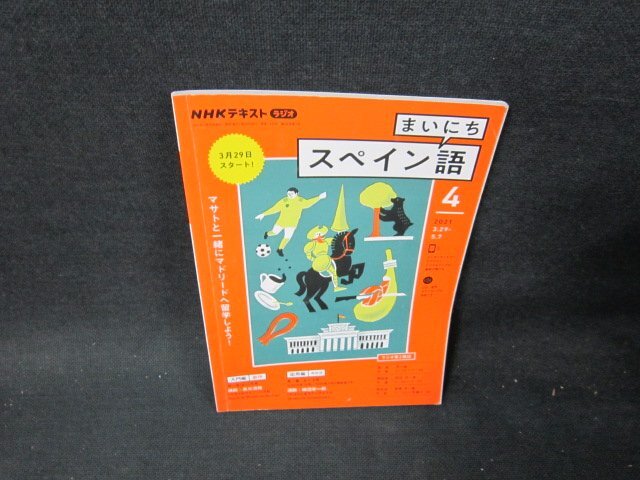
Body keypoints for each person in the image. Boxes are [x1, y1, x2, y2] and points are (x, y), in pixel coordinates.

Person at [255, 188, 326, 256]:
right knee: (274, 233)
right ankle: (267, 233)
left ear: (297, 193)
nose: (289, 195)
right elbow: (275, 208)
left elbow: (308, 203)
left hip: (292, 224)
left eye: (291, 194)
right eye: (288, 194)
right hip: (280, 222)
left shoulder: (301, 200)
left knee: (287, 237)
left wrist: (319, 197)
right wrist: (264, 214)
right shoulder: (284, 200)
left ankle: (280, 249)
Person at [303, 225, 346, 292]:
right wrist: (314, 259)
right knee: (332, 273)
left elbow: (335, 241)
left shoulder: (325, 241)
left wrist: (340, 236)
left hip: (326, 258)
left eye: (319, 233)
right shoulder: (312, 244)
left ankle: (336, 287)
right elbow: (308, 254)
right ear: (313, 236)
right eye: (317, 234)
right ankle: (334, 287)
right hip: (319, 261)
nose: (319, 235)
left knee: (334, 272)